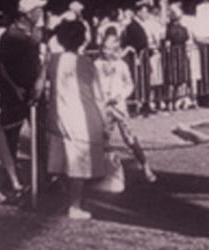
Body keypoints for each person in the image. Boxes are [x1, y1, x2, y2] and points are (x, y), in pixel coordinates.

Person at [46, 18, 105, 220]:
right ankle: (75, 206)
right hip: (83, 118)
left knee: (64, 163)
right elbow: (98, 95)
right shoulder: (87, 63)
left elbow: (39, 86)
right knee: (79, 165)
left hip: (58, 117)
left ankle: (70, 201)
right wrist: (105, 122)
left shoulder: (52, 61)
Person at [0, 0, 46, 196]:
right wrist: (15, 88)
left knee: (41, 135)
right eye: (38, 9)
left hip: (35, 93)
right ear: (28, 13)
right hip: (14, 95)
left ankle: (45, 178)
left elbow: (41, 60)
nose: (41, 12)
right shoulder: (11, 36)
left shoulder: (36, 32)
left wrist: (40, 81)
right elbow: (1, 66)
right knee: (11, 137)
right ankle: (12, 180)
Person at [94, 30, 156, 182]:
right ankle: (102, 172)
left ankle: (145, 165)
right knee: (102, 139)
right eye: (105, 48)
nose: (107, 52)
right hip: (103, 107)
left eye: (111, 48)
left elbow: (129, 84)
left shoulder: (121, 65)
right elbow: (92, 85)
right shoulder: (95, 65)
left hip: (119, 107)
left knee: (130, 138)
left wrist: (120, 95)